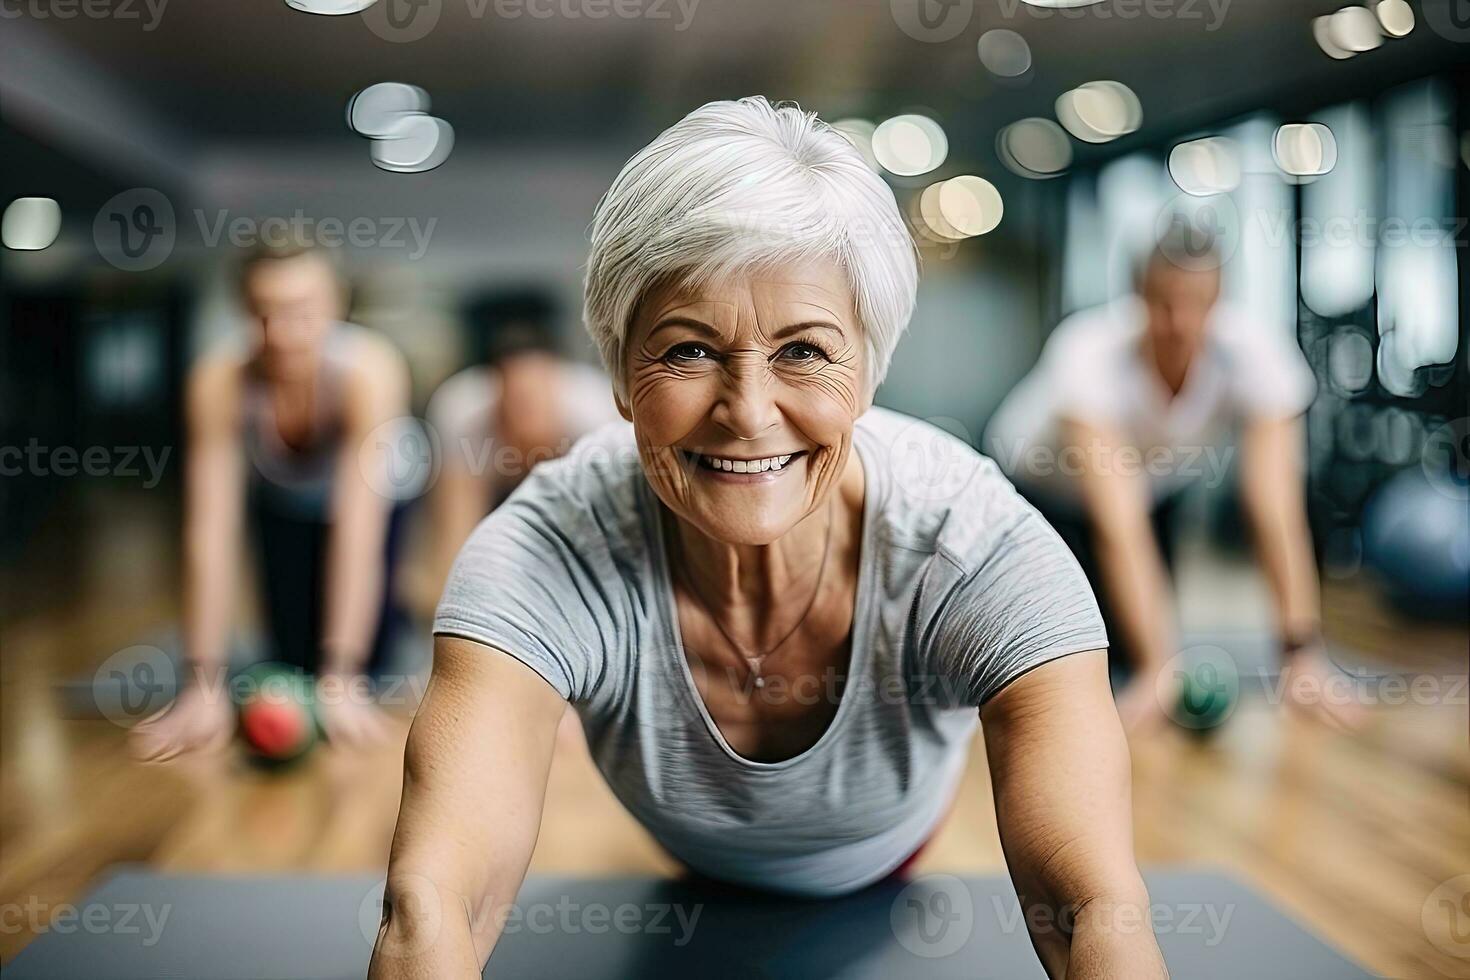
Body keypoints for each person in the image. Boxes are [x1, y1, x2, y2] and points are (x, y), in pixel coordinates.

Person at [369, 98, 1167, 979]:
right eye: (687, 351)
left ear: (869, 374)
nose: (748, 412)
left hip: (883, 856)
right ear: (619, 376)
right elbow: (436, 902)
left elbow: (1094, 909)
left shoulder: (976, 546)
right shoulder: (545, 550)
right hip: (689, 861)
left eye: (804, 352)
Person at [985, 231, 1360, 734]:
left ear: (1219, 301)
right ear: (1139, 295)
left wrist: (1301, 653)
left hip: (1152, 489)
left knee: (1141, 657)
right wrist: (1158, 666)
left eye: (1197, 305)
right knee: (1073, 658)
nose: (1180, 323)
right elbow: (1119, 523)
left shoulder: (1256, 353)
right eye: (1164, 304)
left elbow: (1275, 507)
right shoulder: (1088, 351)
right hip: (1039, 494)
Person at [130, 243, 411, 762]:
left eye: (302, 312)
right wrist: (204, 684)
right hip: (282, 503)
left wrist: (342, 676)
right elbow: (209, 534)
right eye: (264, 314)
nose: (282, 335)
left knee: (363, 671)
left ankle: (386, 632)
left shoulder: (369, 370)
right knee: (288, 661)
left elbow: (357, 531)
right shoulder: (219, 379)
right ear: (242, 310)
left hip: (373, 506)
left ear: (335, 305)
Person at [424, 288, 619, 601]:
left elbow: (610, 537)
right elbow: (453, 532)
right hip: (493, 492)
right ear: (496, 390)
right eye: (515, 401)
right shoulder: (461, 410)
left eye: (534, 401)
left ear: (555, 385)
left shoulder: (596, 414)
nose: (524, 415)